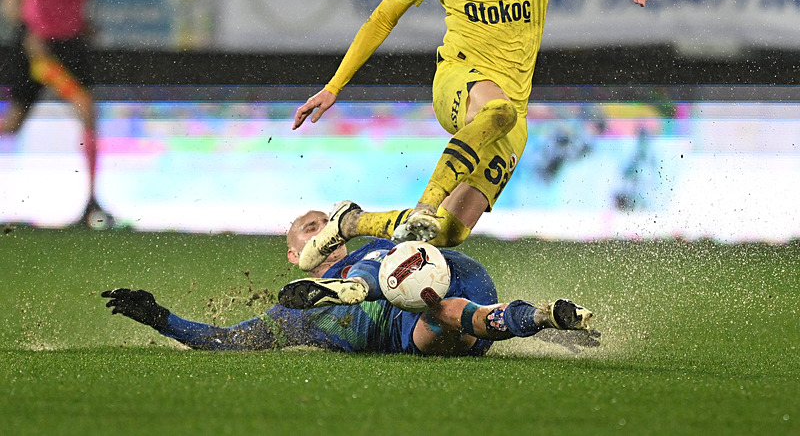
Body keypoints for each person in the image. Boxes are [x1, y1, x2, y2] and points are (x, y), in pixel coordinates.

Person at [292, 0, 652, 272]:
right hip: (459, 80)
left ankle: (351, 221)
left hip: (513, 113)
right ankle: (427, 201)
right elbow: (382, 19)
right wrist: (334, 86)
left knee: (446, 233)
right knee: (496, 112)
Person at [102, 209, 597, 355]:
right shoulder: (293, 317)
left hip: (455, 274)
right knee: (438, 323)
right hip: (430, 327)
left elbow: (424, 229)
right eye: (311, 228)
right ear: (296, 255)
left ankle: (521, 319)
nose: (324, 232)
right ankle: (537, 318)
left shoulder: (369, 248)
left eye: (327, 224)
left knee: (416, 291)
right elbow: (228, 340)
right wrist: (159, 318)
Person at [0, 0, 112, 228]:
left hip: (69, 45)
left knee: (85, 111)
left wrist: (84, 23)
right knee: (16, 122)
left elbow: (66, 3)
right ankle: (92, 203)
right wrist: (29, 31)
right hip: (38, 49)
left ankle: (91, 200)